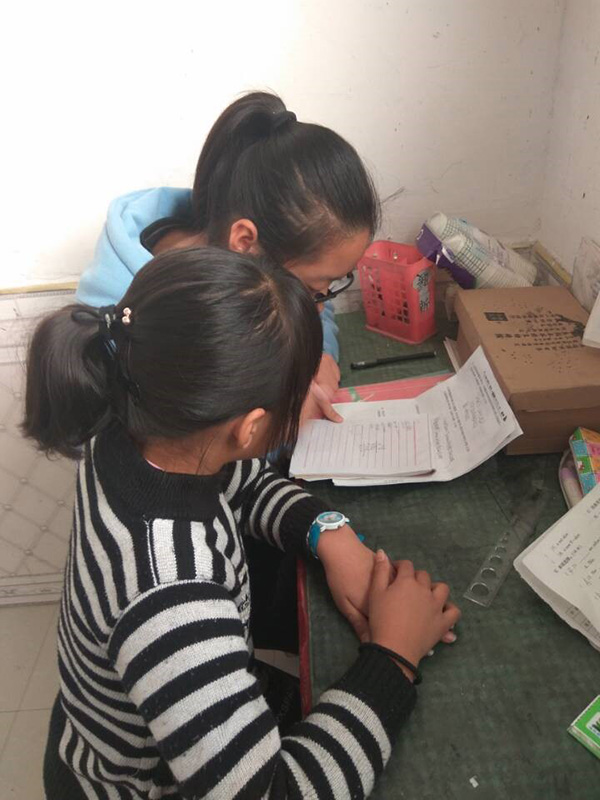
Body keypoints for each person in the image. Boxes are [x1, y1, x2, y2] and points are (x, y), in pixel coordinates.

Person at [26, 247, 461, 799]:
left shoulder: (134, 426)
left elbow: (244, 483)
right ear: (250, 428)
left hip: (146, 718)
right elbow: (272, 791)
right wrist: (394, 657)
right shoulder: (172, 597)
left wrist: (328, 533)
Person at [76, 91, 381, 422]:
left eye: (329, 288)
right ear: (245, 242)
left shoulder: (264, 254)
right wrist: (284, 404)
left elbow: (316, 310)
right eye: (313, 290)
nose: (320, 306)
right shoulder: (124, 316)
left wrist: (318, 355)